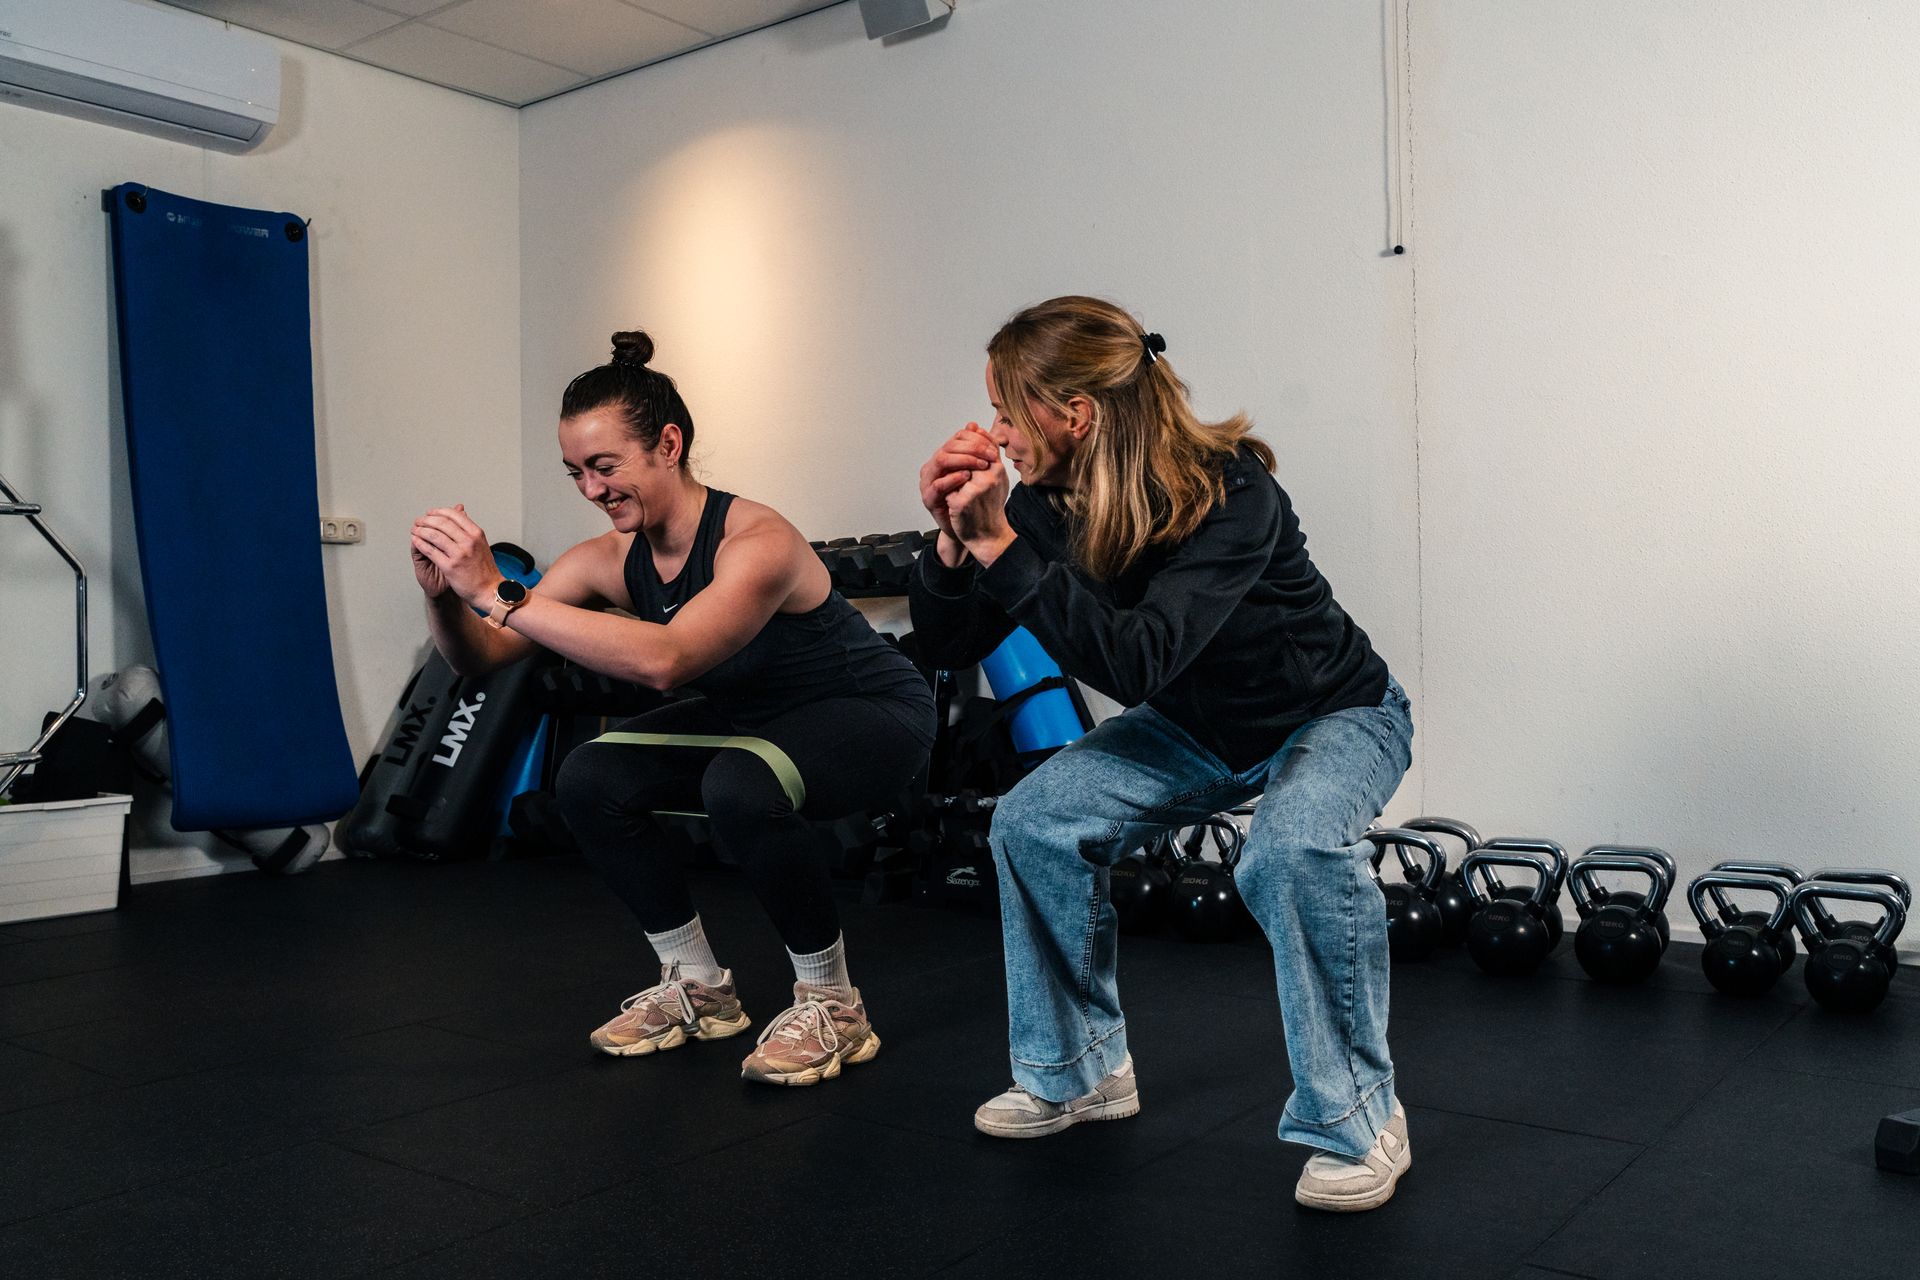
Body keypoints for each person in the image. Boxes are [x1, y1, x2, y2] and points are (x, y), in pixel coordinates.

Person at [909, 296, 1414, 1211]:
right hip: (1196, 729)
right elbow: (947, 644)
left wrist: (998, 544)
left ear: (1076, 414)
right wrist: (953, 546)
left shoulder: (1232, 492)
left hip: (1335, 715)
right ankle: (1079, 1073)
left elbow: (1137, 662)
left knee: (1292, 849)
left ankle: (1360, 1117)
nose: (998, 434)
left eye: (1008, 411)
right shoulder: (1042, 509)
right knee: (1032, 820)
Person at [410, 330, 935, 1087]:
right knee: (590, 775)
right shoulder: (607, 560)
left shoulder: (757, 540)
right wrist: (444, 598)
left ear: (667, 444)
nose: (591, 489)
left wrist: (494, 589)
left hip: (872, 715)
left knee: (740, 783)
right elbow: (482, 657)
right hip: (756, 722)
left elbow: (668, 661)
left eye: (605, 466)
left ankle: (833, 1003)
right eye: (576, 473)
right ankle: (699, 987)